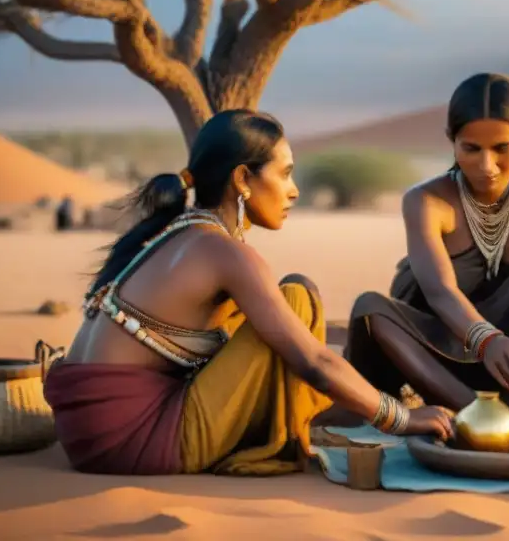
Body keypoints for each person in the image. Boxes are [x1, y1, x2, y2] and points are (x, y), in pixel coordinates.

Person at [43, 110, 453, 476]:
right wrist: (401, 419)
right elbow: (313, 362)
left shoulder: (176, 235)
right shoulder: (226, 253)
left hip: (83, 434)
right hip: (132, 441)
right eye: (284, 173)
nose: (293, 190)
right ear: (242, 178)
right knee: (294, 300)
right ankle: (311, 421)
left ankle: (329, 409)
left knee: (291, 301)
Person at [344, 73, 509, 413]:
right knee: (370, 307)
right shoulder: (425, 200)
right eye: (471, 148)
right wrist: (487, 340)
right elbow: (440, 291)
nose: (487, 166)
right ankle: (471, 411)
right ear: (451, 140)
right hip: (435, 360)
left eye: (502, 148)